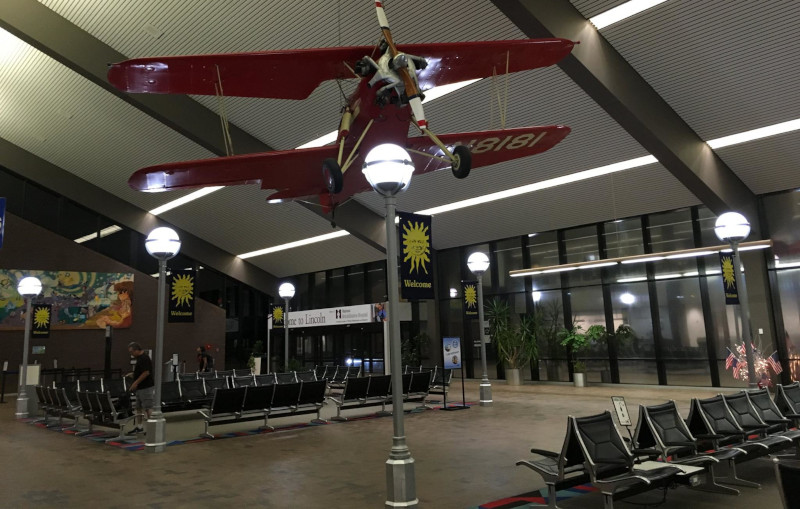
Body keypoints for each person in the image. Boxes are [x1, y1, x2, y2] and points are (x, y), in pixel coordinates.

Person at [126, 342, 154, 434]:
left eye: (132, 352)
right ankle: (140, 426)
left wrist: (135, 383)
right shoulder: (139, 359)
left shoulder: (144, 359)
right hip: (140, 388)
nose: (131, 354)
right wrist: (133, 375)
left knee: (148, 407)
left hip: (146, 387)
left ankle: (151, 428)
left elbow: (146, 372)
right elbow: (141, 371)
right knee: (138, 407)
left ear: (137, 350)